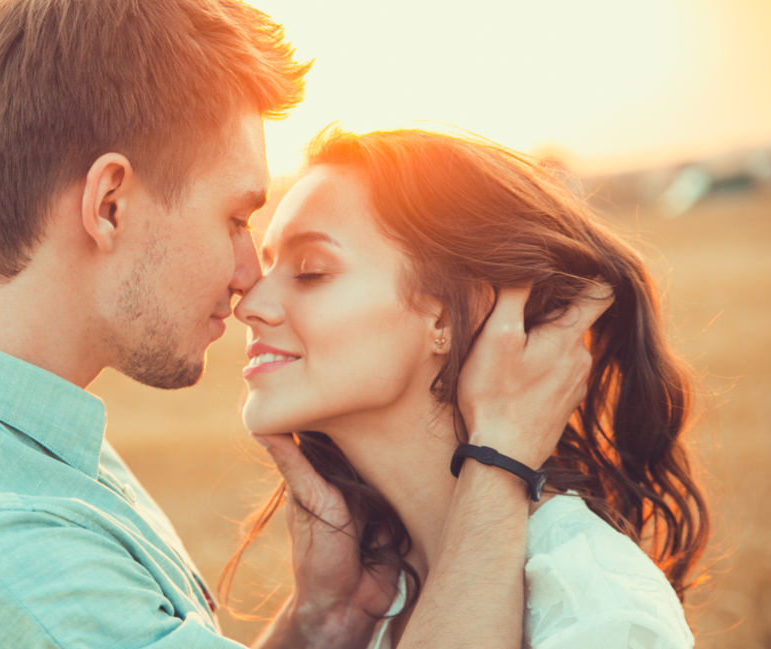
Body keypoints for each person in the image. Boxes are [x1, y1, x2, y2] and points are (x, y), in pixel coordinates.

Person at [0, 1, 608, 647]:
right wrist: (500, 461)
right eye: (236, 218)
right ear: (111, 204)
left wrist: (316, 625)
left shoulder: (8, 443)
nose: (246, 280)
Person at [229, 128, 710, 648]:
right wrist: (318, 621)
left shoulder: (594, 607)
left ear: (449, 317)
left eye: (310, 271)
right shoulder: (372, 601)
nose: (249, 305)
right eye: (268, 267)